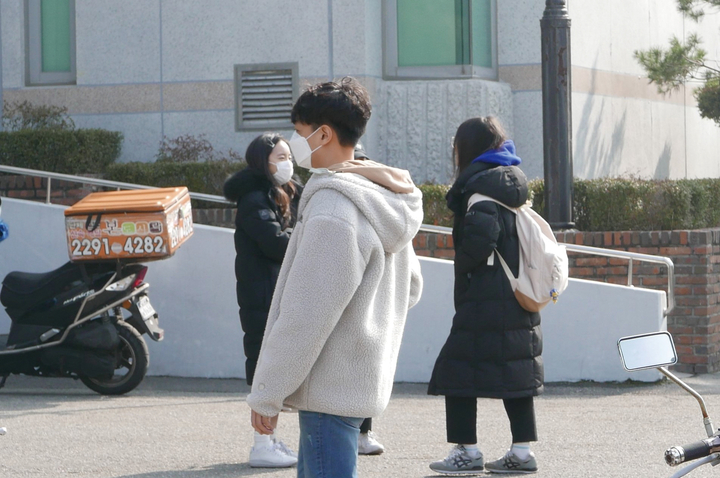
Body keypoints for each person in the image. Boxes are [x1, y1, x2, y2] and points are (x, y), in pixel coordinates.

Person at [246, 77, 424, 478]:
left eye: (300, 131)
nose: (295, 142)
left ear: (323, 134)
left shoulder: (333, 208)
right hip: (357, 383)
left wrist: (267, 393)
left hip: (327, 387)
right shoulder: (381, 195)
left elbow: (306, 314)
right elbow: (411, 287)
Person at [428, 117, 542, 475]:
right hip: (514, 294)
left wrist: (462, 264)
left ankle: (467, 450)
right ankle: (521, 453)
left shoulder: (480, 190)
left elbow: (480, 240)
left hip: (485, 298)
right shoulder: (508, 182)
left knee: (455, 371)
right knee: (515, 374)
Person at [223, 133, 302, 468]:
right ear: (263, 162)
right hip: (261, 294)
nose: (288, 163)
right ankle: (261, 444)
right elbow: (275, 243)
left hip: (272, 290)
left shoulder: (280, 192)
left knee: (273, 368)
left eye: (289, 157)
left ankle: (270, 439)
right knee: (265, 368)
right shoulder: (254, 198)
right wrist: (303, 235)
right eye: (280, 158)